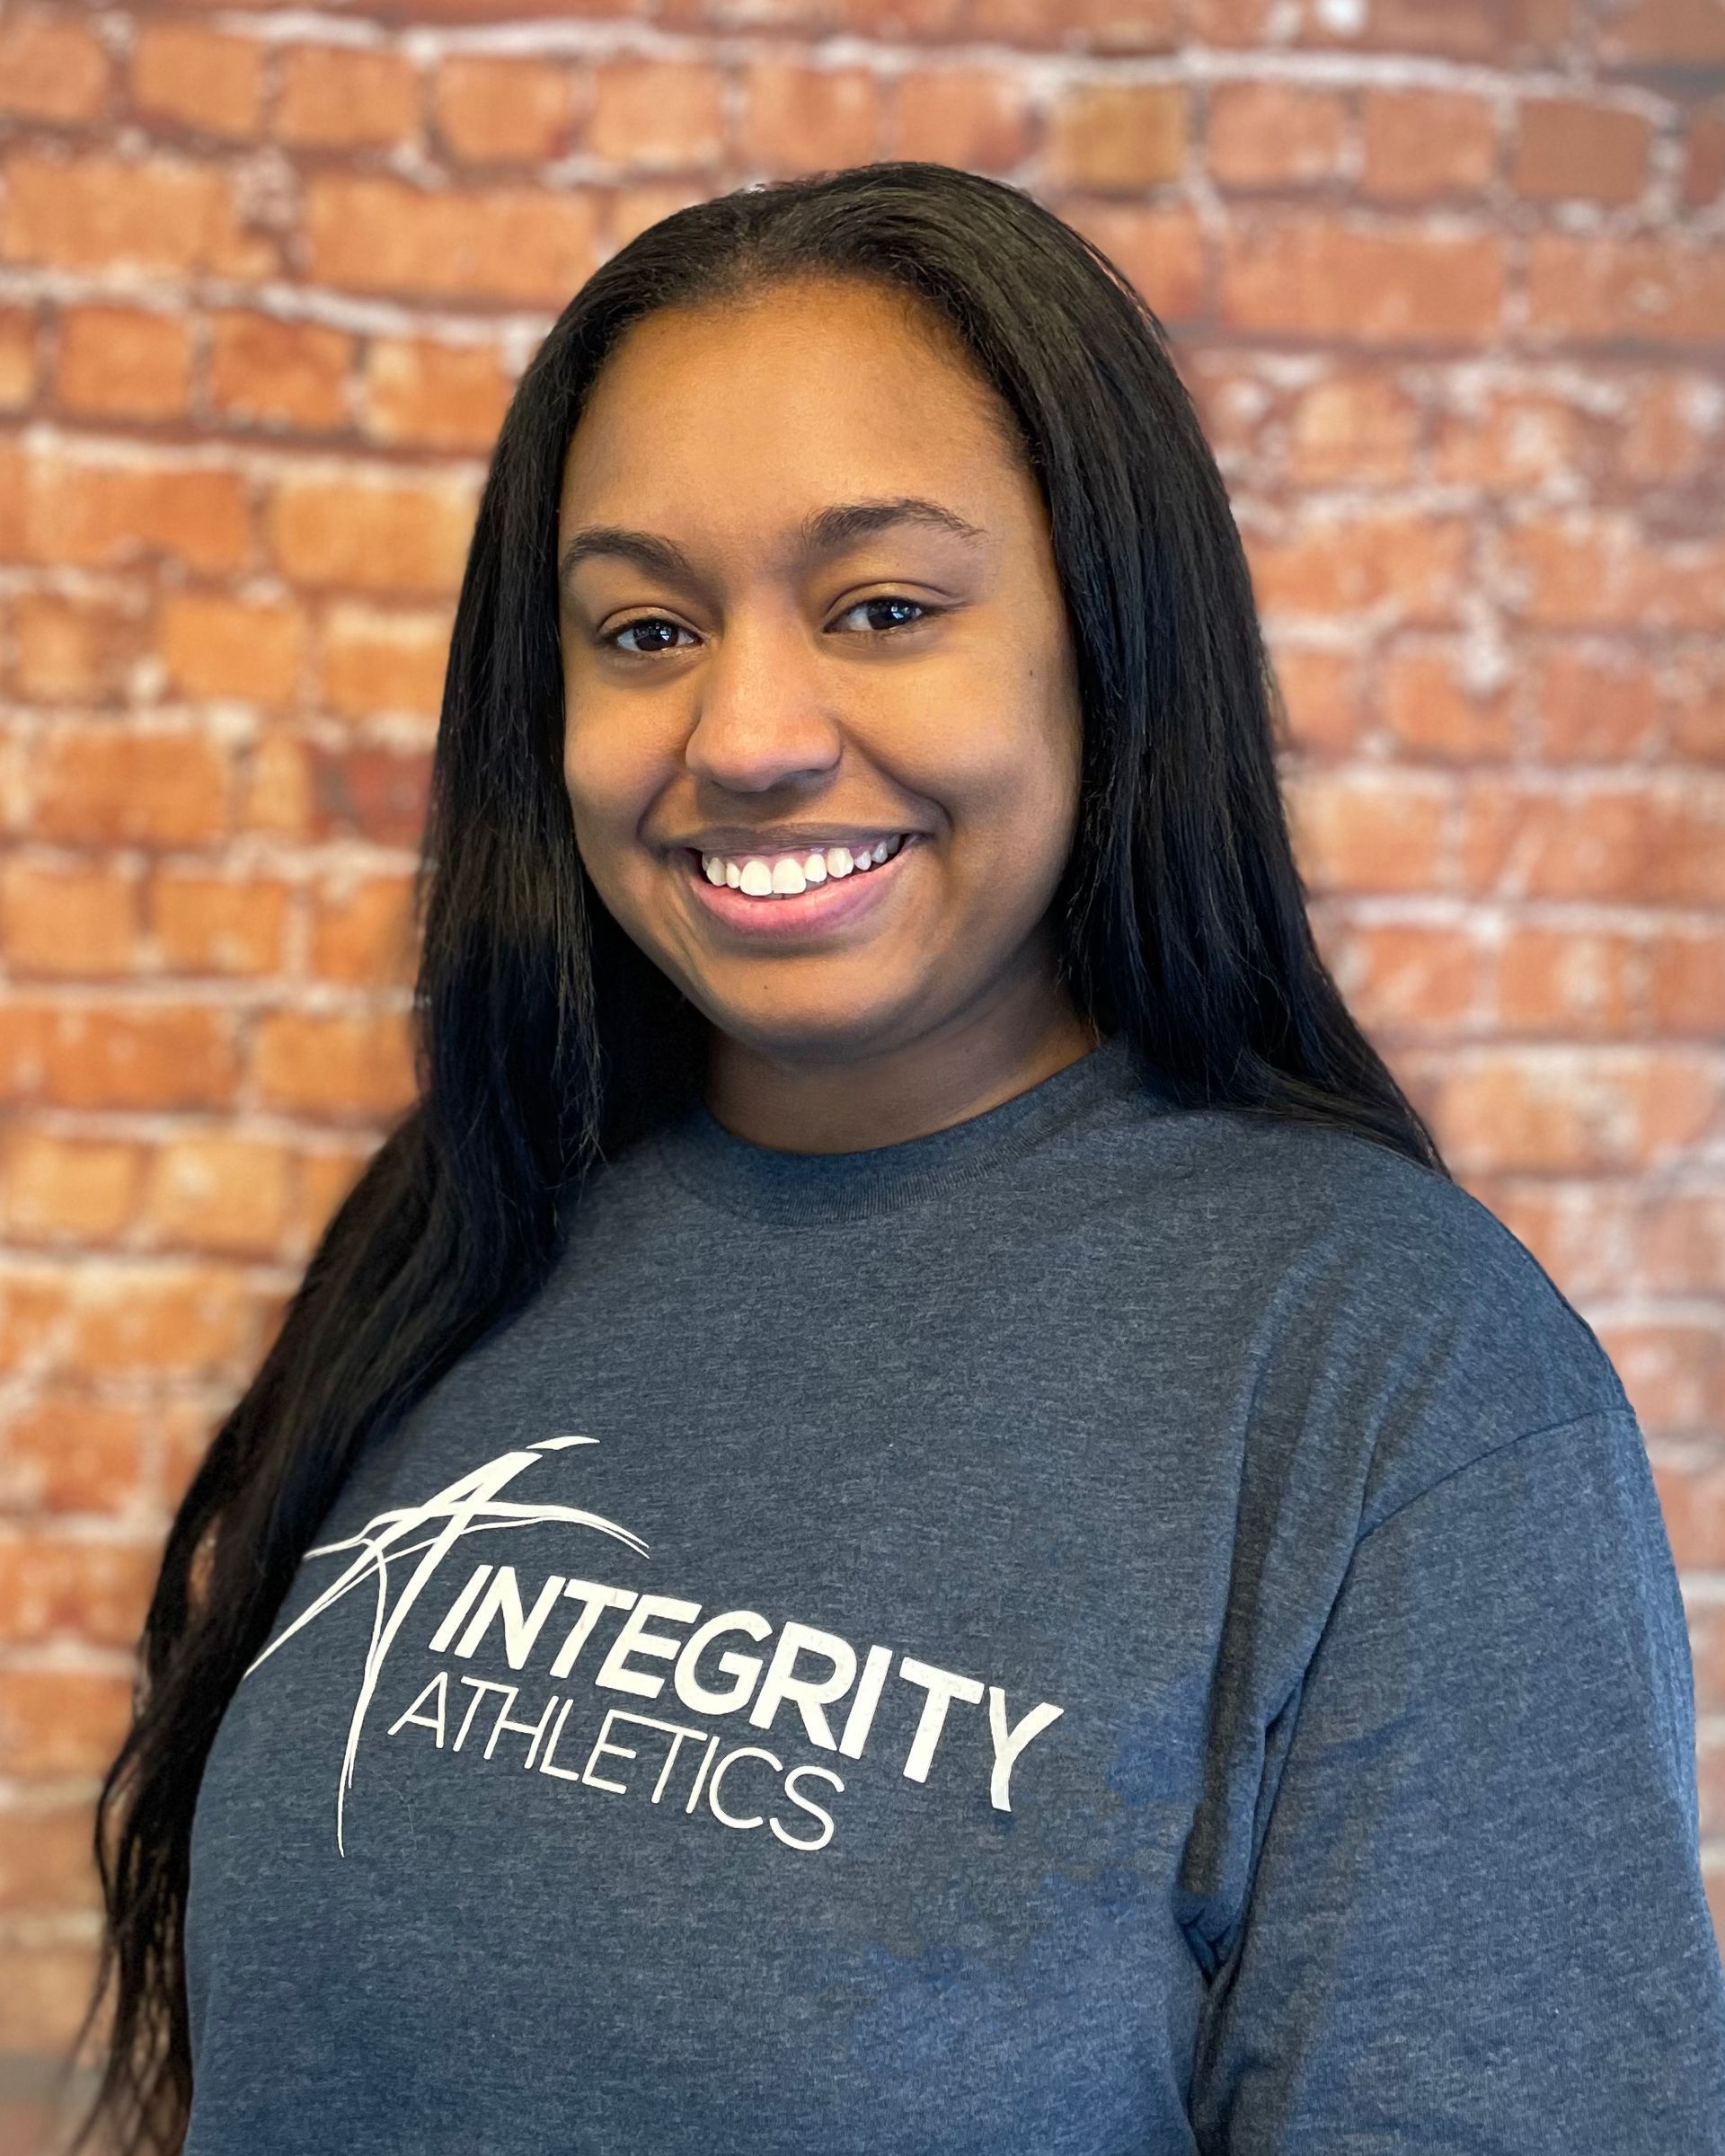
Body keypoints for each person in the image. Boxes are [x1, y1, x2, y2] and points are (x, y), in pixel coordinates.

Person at [69, 162, 1725, 2156]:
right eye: (648, 626)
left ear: (1104, 644)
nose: (749, 729)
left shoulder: (1399, 1384)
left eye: (885, 607)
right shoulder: (477, 1219)